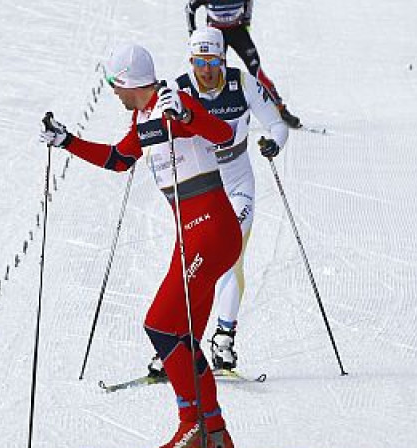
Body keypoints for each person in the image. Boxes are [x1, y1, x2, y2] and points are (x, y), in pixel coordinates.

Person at [40, 43, 238, 448]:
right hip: (193, 234)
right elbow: (118, 159)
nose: (113, 92)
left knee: (160, 326)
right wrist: (66, 141)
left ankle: (194, 425)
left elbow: (224, 133)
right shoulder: (144, 116)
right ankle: (214, 433)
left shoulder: (174, 102)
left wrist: (187, 114)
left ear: (129, 81)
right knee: (181, 337)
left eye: (115, 85)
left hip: (212, 230)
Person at [147, 28, 288, 376]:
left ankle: (224, 340)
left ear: (223, 59)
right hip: (201, 189)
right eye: (199, 62)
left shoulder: (244, 84)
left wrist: (274, 143)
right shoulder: (180, 88)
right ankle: (178, 343)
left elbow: (277, 124)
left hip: (238, 182)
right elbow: (153, 131)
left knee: (229, 259)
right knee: (192, 264)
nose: (206, 70)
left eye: (212, 62)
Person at [185, 0, 302, 128]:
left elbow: (249, 3)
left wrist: (246, 21)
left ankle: (280, 110)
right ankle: (210, 113)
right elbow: (190, 8)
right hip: (216, 34)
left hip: (237, 31)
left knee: (257, 72)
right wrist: (193, 34)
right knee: (215, 74)